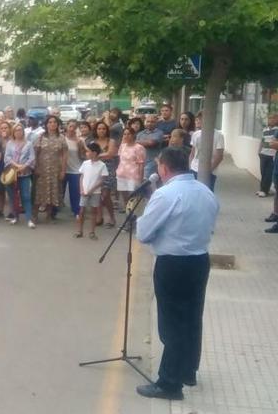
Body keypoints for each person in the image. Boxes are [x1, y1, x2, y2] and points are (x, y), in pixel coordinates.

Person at [134, 147, 219, 401]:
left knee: (171, 325)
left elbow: (144, 233)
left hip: (173, 264)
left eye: (158, 166)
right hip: (199, 261)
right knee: (192, 318)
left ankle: (169, 383)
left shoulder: (165, 194)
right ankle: (187, 371)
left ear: (164, 168)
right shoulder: (205, 191)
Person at [33, 115, 68, 222]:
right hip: (42, 169)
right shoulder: (40, 136)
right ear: (46, 124)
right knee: (39, 192)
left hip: (55, 169)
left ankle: (49, 215)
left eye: (54, 122)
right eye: (50, 122)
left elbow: (64, 155)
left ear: (58, 124)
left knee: (53, 191)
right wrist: (36, 167)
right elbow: (35, 153)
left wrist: (63, 170)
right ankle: (34, 215)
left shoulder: (61, 138)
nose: (52, 124)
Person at [4, 123, 36, 228]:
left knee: (26, 196)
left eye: (20, 130)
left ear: (23, 131)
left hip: (24, 173)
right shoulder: (10, 143)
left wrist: (24, 166)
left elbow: (32, 158)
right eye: (16, 130)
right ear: (13, 132)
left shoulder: (29, 144)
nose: (18, 132)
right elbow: (7, 157)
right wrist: (17, 165)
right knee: (13, 196)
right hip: (12, 173)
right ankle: (15, 217)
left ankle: (29, 219)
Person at [76, 143, 108, 240]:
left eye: (88, 151)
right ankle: (79, 230)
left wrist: (92, 190)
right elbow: (81, 177)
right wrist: (82, 189)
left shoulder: (102, 165)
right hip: (84, 191)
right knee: (82, 211)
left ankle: (92, 232)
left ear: (94, 153)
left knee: (93, 211)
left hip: (95, 192)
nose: (87, 153)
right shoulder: (85, 163)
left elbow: (102, 180)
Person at [189, 113, 225, 191]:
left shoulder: (218, 135)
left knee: (207, 193)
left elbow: (219, 156)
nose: (197, 121)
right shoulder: (195, 134)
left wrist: (209, 170)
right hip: (194, 168)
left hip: (210, 171)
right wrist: (190, 166)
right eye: (197, 119)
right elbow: (192, 153)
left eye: (200, 119)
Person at [93, 121, 118, 226]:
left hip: (108, 171)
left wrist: (97, 156)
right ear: (96, 130)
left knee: (106, 195)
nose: (101, 130)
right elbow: (89, 155)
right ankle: (99, 217)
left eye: (103, 129)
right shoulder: (93, 142)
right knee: (97, 194)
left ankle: (112, 217)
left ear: (107, 130)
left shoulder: (111, 141)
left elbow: (110, 154)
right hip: (95, 170)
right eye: (99, 129)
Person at [116, 127, 147, 209]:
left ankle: (134, 216)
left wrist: (140, 179)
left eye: (129, 134)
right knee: (125, 198)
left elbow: (141, 164)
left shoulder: (139, 147)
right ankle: (128, 216)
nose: (126, 136)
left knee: (133, 198)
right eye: (125, 134)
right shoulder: (122, 146)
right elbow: (120, 159)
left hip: (133, 176)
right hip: (121, 175)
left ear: (133, 135)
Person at [63, 120, 86, 220]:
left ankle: (76, 211)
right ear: (67, 127)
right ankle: (54, 211)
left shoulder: (80, 140)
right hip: (63, 169)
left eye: (74, 127)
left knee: (75, 192)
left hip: (76, 169)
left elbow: (85, 153)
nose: (72, 129)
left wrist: (80, 145)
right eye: (70, 126)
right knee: (60, 191)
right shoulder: (62, 139)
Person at [137, 114, 164, 178]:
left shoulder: (159, 133)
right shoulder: (140, 133)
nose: (149, 123)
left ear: (156, 123)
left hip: (152, 162)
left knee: (147, 181)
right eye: (148, 121)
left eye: (152, 122)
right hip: (140, 161)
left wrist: (136, 142)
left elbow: (151, 143)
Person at [259, 113, 278, 197]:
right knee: (263, 172)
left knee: (269, 173)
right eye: (269, 118)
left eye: (273, 118)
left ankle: (264, 190)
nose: (270, 120)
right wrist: (259, 150)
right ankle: (263, 189)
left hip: (272, 155)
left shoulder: (277, 130)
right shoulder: (265, 129)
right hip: (263, 153)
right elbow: (262, 141)